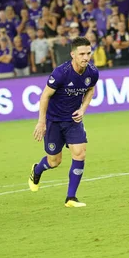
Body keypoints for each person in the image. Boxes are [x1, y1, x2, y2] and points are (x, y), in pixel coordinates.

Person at [28, 37, 99, 208]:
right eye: (81, 54)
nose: (85, 57)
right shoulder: (61, 72)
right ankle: (37, 170)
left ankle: (71, 198)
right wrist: (41, 122)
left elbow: (90, 90)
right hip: (54, 121)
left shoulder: (92, 72)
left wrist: (83, 109)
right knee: (54, 161)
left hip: (73, 121)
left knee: (80, 153)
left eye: (88, 53)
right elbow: (45, 96)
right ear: (73, 54)